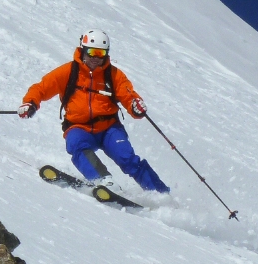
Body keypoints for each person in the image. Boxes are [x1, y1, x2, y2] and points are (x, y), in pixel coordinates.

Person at [18, 29, 169, 192]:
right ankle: (103, 180)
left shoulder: (113, 75)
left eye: (101, 53)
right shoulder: (69, 72)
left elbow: (128, 94)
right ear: (83, 50)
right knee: (76, 145)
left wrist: (135, 105)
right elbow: (41, 88)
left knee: (127, 158)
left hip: (109, 128)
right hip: (78, 126)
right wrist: (30, 103)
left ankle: (160, 193)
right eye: (92, 52)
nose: (96, 58)